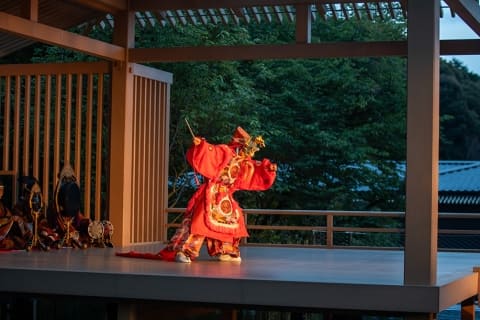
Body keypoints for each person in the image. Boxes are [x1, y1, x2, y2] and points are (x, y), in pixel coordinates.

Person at [117, 126, 277, 263]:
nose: (247, 151)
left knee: (235, 220)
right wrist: (201, 145)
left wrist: (268, 169)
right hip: (211, 192)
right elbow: (210, 152)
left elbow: (255, 170)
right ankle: (185, 250)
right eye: (245, 147)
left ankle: (226, 250)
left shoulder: (244, 162)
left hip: (226, 195)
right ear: (238, 144)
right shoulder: (224, 151)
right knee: (199, 221)